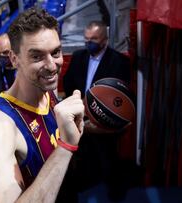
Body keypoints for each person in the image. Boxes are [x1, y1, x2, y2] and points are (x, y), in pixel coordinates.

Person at [0, 7, 85, 202]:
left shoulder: (48, 88)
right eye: (37, 56)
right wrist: (65, 146)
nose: (52, 65)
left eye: (56, 52)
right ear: (14, 59)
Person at [62, 20, 131, 200]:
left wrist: (99, 110)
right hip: (81, 116)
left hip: (105, 121)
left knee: (108, 159)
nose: (88, 42)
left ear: (105, 40)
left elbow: (121, 96)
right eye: (86, 39)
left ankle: (114, 192)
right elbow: (68, 82)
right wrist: (79, 103)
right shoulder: (78, 56)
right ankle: (86, 182)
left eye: (93, 39)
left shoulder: (120, 61)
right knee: (83, 157)